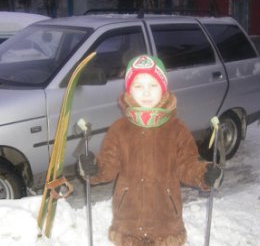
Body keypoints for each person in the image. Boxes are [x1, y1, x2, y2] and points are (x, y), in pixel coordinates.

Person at [81, 55, 223, 246]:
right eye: (139, 86)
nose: (146, 93)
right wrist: (94, 168)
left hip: (165, 224)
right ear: (129, 90)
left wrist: (205, 174)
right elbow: (108, 166)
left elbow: (187, 165)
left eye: (153, 85)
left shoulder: (177, 129)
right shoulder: (119, 129)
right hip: (128, 222)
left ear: (163, 89)